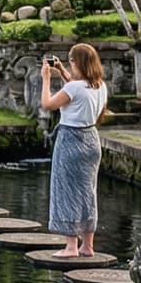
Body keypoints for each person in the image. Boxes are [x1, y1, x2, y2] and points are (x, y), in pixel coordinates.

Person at [40, 42, 109, 259]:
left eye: (71, 63)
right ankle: (87, 245)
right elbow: (77, 91)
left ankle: (70, 246)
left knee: (66, 191)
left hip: (71, 140)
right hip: (91, 141)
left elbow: (48, 104)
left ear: (77, 63)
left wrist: (46, 78)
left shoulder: (74, 88)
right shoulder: (100, 86)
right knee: (88, 192)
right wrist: (62, 71)